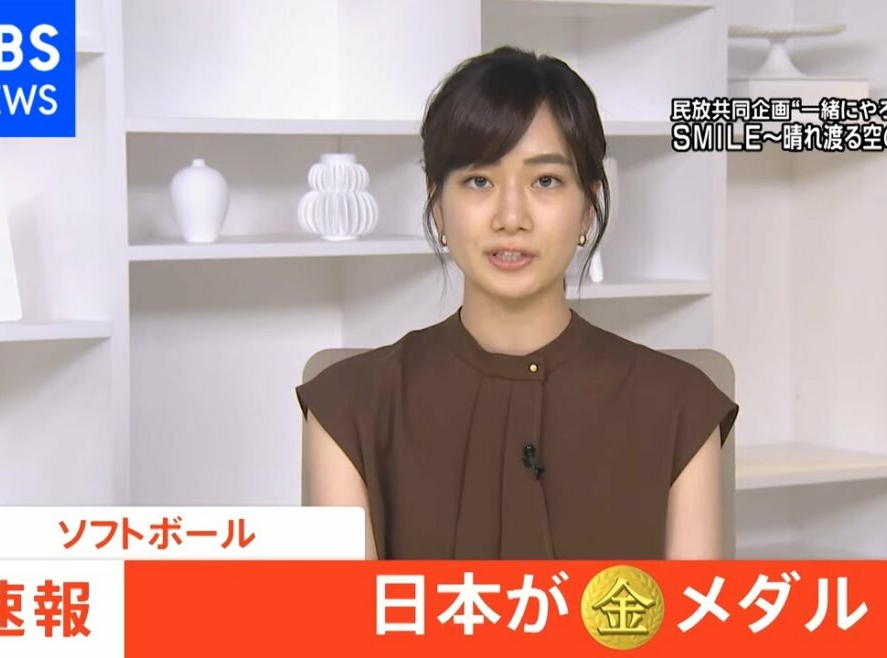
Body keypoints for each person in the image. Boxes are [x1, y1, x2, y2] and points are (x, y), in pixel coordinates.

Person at [296, 46, 738, 560]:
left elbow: (693, 612)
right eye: (479, 180)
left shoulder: (680, 409)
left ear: (588, 207)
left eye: (545, 180)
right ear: (438, 206)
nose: (511, 217)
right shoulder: (347, 408)